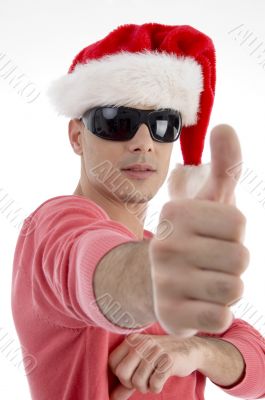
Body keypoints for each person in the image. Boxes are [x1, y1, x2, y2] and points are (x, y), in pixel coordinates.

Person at [11, 22, 265, 400]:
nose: (144, 143)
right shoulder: (54, 225)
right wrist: (160, 278)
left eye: (163, 125)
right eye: (117, 122)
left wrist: (197, 350)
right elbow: (93, 268)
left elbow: (258, 365)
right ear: (78, 136)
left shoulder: (160, 249)